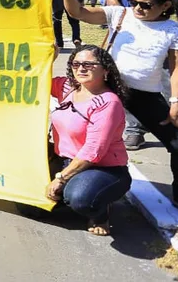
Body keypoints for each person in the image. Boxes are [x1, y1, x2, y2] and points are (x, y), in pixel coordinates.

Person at [55, 0, 178, 222]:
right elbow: (78, 12)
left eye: (146, 5)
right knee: (89, 140)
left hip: (144, 95)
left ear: (165, 5)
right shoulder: (119, 15)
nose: (138, 9)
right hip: (106, 89)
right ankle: (96, 191)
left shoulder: (173, 30)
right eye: (134, 2)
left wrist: (177, 102)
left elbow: (177, 70)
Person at [100, 0, 177, 149]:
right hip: (127, 30)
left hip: (157, 29)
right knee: (127, 77)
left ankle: (177, 121)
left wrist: (160, 18)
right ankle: (135, 129)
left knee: (163, 76)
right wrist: (128, 19)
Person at [47, 45, 131, 236]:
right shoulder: (67, 87)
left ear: (106, 70)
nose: (81, 68)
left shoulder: (108, 102)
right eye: (76, 64)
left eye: (88, 64)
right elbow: (35, 81)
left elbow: (93, 151)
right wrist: (49, 58)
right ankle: (70, 199)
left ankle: (100, 212)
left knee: (80, 198)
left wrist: (60, 179)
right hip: (66, 161)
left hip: (103, 168)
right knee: (29, 207)